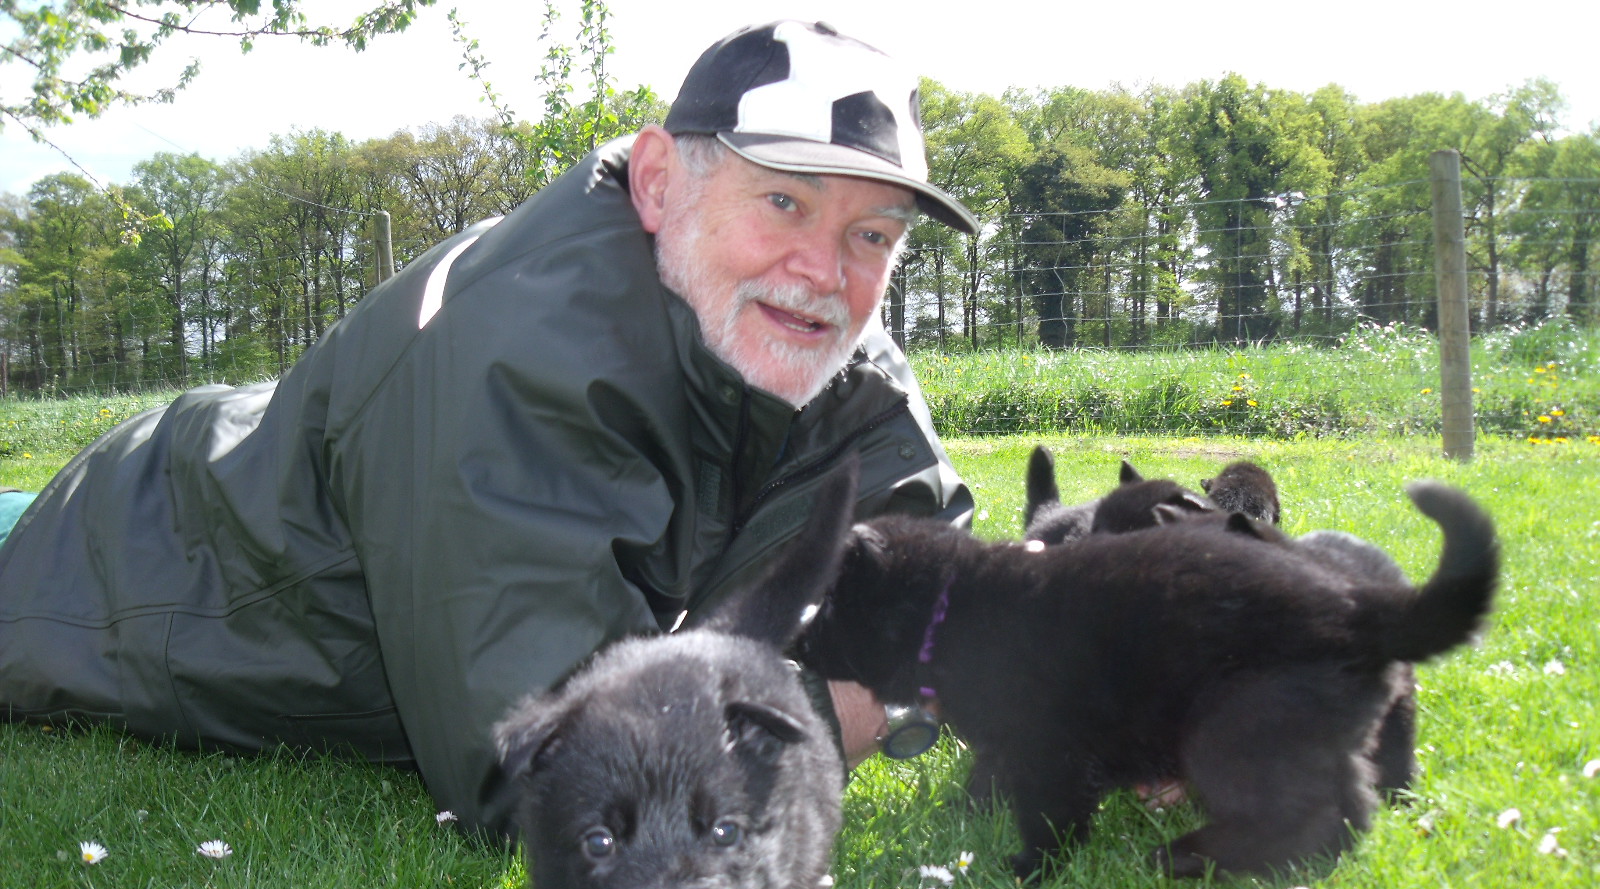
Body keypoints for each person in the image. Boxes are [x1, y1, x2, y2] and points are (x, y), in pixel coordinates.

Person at [0, 20, 975, 837]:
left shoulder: (830, 351)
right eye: (783, 200)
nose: (822, 271)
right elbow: (559, 773)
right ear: (656, 181)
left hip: (264, 445)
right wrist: (853, 701)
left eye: (871, 234)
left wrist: (1040, 659)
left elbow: (932, 571)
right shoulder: (519, 360)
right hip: (113, 555)